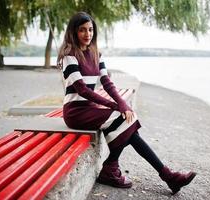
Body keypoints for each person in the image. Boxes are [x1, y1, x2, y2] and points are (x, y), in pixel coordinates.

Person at [57, 11, 196, 195]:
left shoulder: (97, 53)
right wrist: (115, 106)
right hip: (75, 112)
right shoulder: (69, 55)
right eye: (82, 30)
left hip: (90, 109)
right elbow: (83, 90)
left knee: (127, 120)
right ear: (73, 32)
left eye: (90, 30)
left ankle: (160, 174)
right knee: (122, 119)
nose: (87, 34)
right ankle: (162, 175)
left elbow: (107, 83)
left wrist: (123, 103)